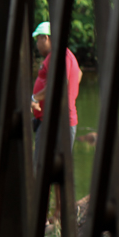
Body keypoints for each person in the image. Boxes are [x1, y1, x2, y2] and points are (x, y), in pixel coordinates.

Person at [30, 21, 82, 149]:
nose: (37, 44)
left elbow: (58, 84)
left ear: (45, 37)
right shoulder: (57, 55)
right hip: (49, 119)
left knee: (45, 166)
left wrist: (35, 98)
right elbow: (78, 73)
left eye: (38, 39)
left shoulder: (61, 55)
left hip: (59, 122)